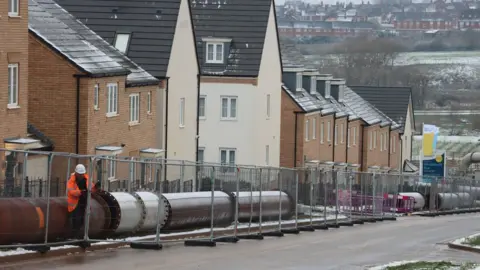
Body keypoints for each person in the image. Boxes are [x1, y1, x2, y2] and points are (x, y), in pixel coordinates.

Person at [67, 164, 99, 238]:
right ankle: (74, 235)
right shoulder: (71, 181)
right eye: (79, 174)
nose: (81, 175)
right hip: (75, 203)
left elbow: (91, 188)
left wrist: (96, 187)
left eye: (82, 174)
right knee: (76, 218)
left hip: (84, 201)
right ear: (76, 173)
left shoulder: (87, 179)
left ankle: (80, 235)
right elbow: (71, 192)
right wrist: (81, 192)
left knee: (82, 218)